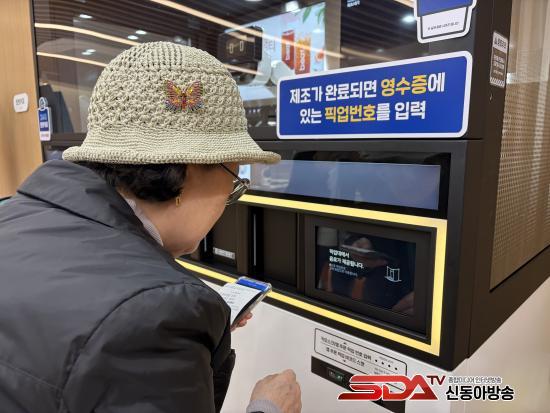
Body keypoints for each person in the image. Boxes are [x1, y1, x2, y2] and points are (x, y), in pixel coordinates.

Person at [0, 42, 301, 413]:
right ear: (189, 172)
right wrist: (268, 409)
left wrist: (190, 329)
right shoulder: (159, 312)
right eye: (234, 184)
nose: (228, 201)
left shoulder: (13, 217)